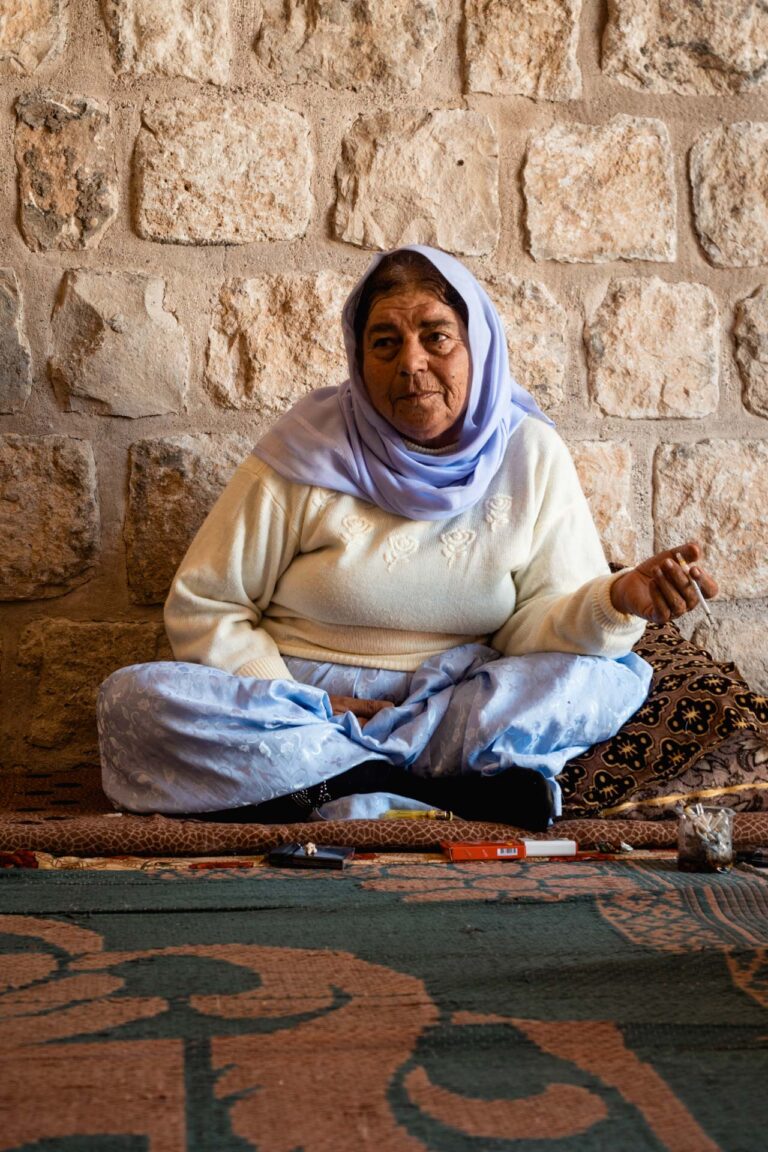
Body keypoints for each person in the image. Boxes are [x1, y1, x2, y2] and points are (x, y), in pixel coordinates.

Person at [98, 246, 717, 832]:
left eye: (436, 336)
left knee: (606, 679)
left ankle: (337, 790)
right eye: (385, 343)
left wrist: (617, 600)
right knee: (135, 701)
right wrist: (292, 697)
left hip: (454, 710)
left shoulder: (530, 455)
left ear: (477, 344)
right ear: (358, 358)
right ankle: (412, 789)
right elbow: (209, 603)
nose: (411, 363)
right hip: (305, 709)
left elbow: (534, 628)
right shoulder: (307, 450)